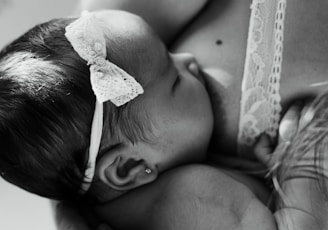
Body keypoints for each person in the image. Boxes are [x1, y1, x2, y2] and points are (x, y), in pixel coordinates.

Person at [0, 0, 328, 229]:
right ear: (128, 165)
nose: (188, 59)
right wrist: (305, 170)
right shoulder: (186, 199)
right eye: (174, 79)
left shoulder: (153, 196)